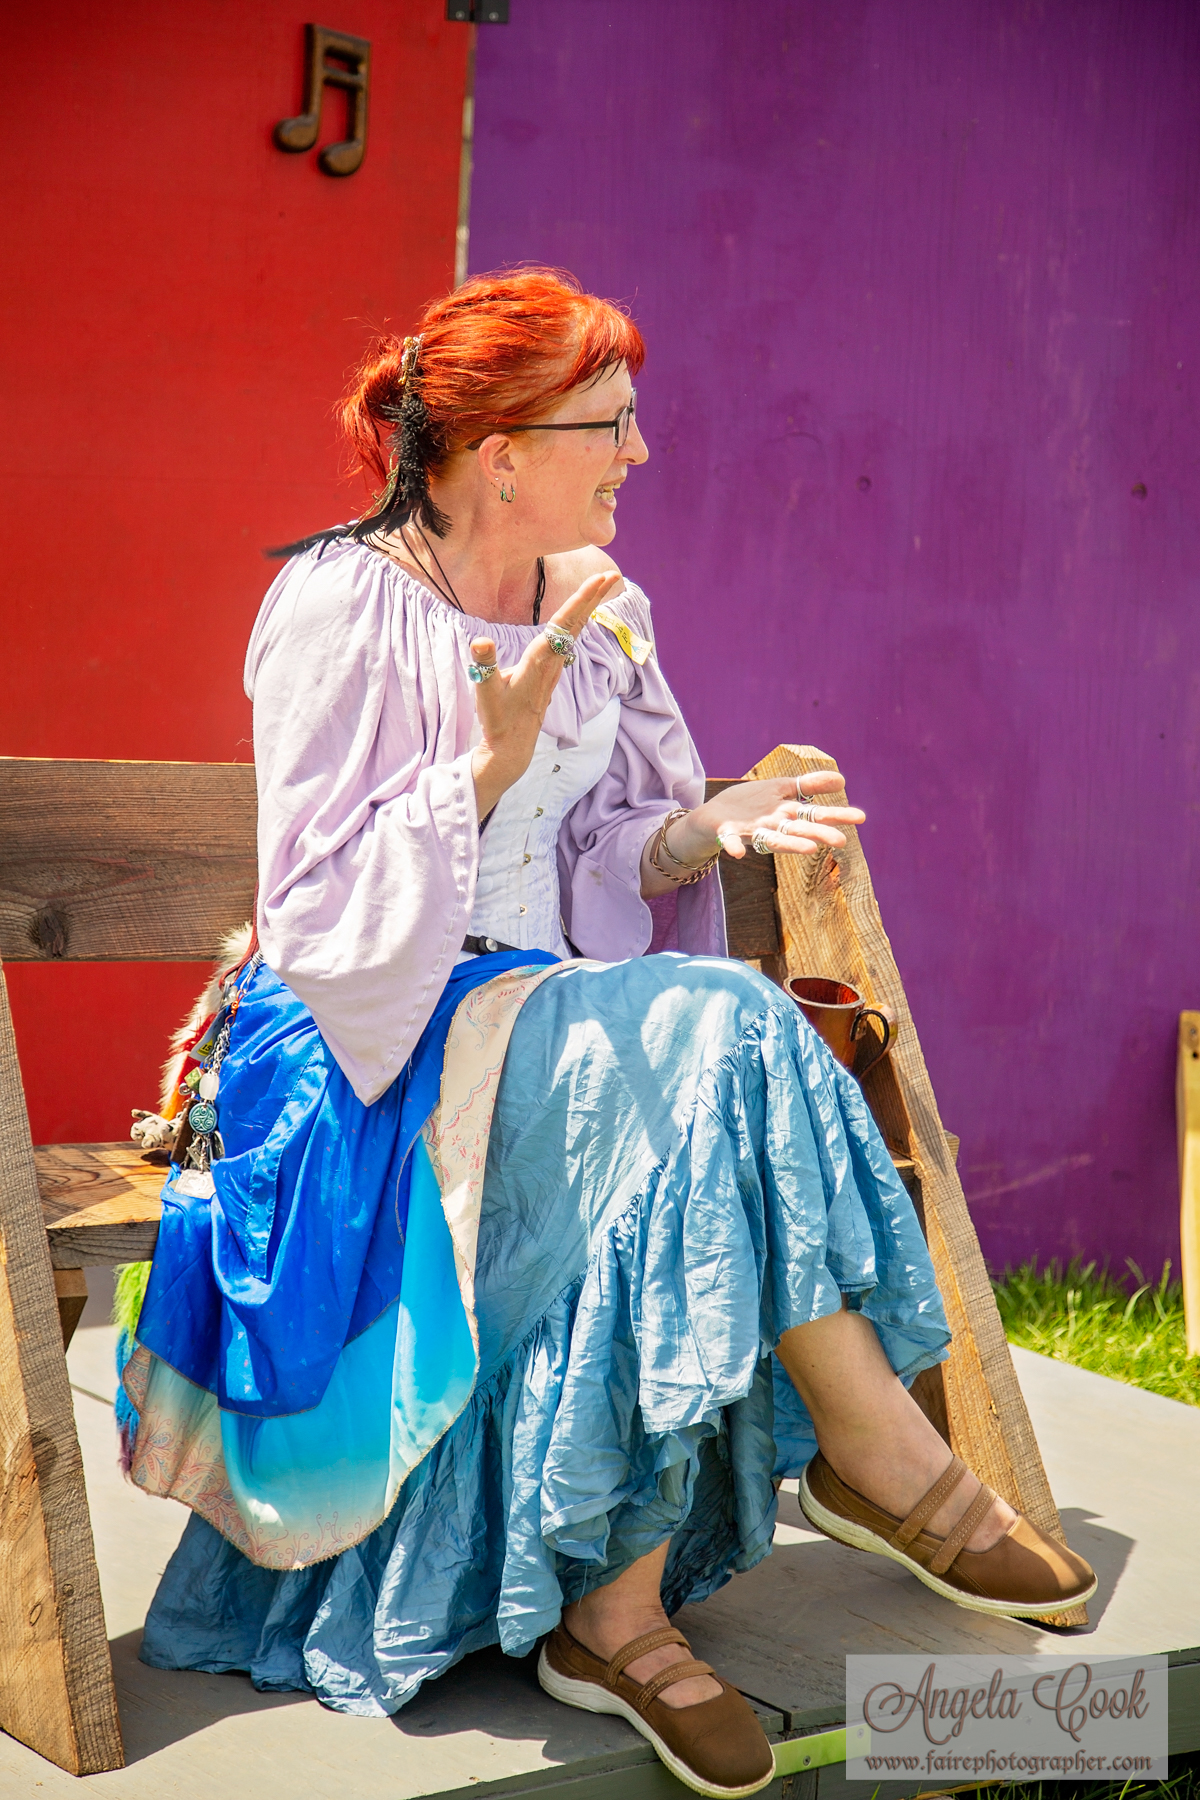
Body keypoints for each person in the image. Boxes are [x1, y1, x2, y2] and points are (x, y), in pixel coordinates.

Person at [122, 268, 1094, 1800]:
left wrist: (704, 826)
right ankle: (859, 1473)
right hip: (367, 1042)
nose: (639, 452)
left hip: (550, 1016)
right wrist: (480, 774)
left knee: (708, 1056)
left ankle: (624, 1610)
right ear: (502, 449)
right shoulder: (337, 604)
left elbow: (607, 848)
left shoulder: (599, 606)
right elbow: (312, 910)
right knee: (717, 1035)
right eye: (611, 424)